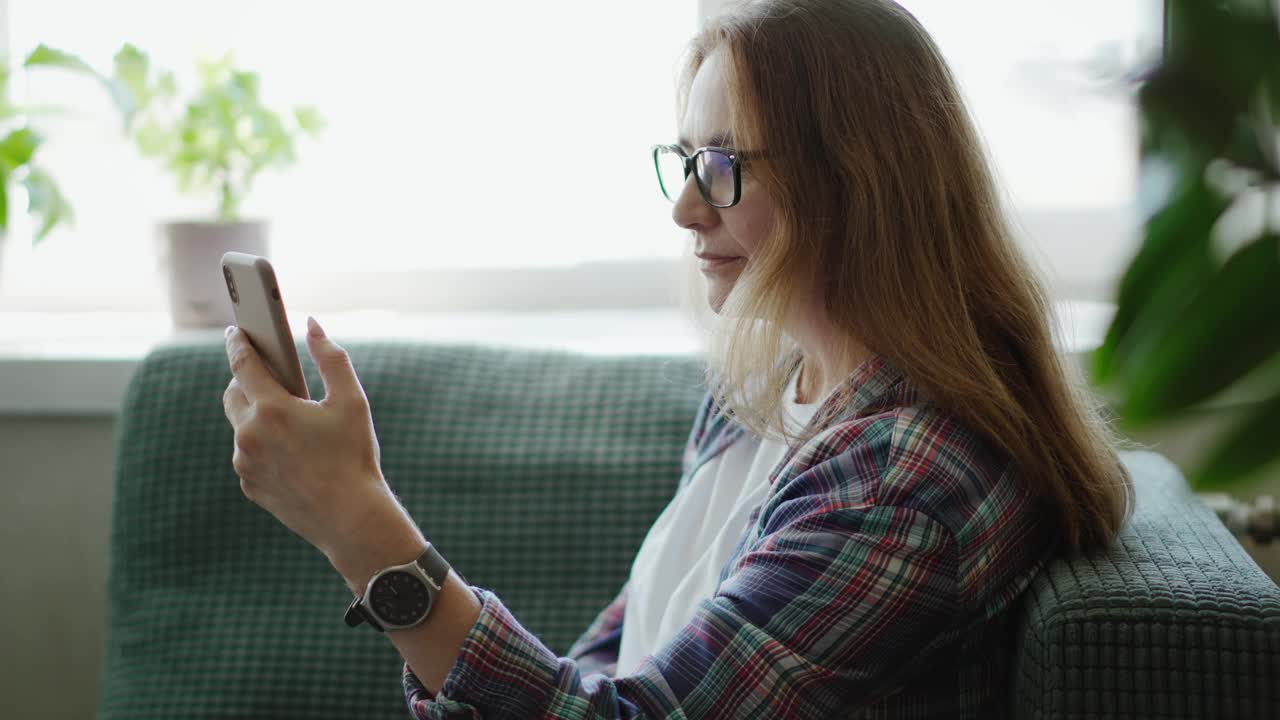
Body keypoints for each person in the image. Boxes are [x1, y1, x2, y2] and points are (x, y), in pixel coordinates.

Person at [220, 0, 1137, 717]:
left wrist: (358, 525)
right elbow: (613, 666)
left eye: (727, 165)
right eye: (686, 160)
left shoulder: (900, 481)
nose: (687, 210)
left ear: (858, 180)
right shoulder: (767, 390)